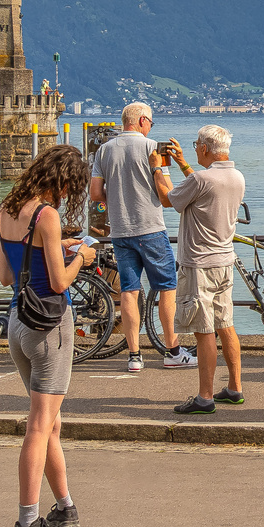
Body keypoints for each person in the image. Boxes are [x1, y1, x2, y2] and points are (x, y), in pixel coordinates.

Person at [0, 144, 98, 527]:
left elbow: (5, 275)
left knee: (50, 423)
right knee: (39, 427)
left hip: (18, 321)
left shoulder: (6, 209)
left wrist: (58, 250)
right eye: (72, 186)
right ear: (62, 181)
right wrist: (83, 257)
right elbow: (59, 282)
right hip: (50, 326)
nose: (70, 194)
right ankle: (27, 521)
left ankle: (66, 506)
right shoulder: (48, 216)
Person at [89, 102, 193, 372]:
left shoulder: (104, 150)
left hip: (120, 231)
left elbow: (95, 193)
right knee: (167, 288)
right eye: (152, 123)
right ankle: (172, 350)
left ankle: (134, 355)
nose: (151, 127)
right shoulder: (152, 149)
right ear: (143, 121)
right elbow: (166, 194)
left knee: (129, 291)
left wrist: (116, 197)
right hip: (150, 228)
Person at [153, 125, 247, 415]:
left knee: (204, 330)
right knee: (225, 323)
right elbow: (199, 185)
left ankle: (204, 397)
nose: (195, 148)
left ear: (205, 148)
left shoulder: (204, 179)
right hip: (224, 260)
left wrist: (160, 170)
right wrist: (182, 163)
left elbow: (169, 199)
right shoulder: (235, 176)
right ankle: (234, 387)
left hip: (199, 264)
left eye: (196, 145)